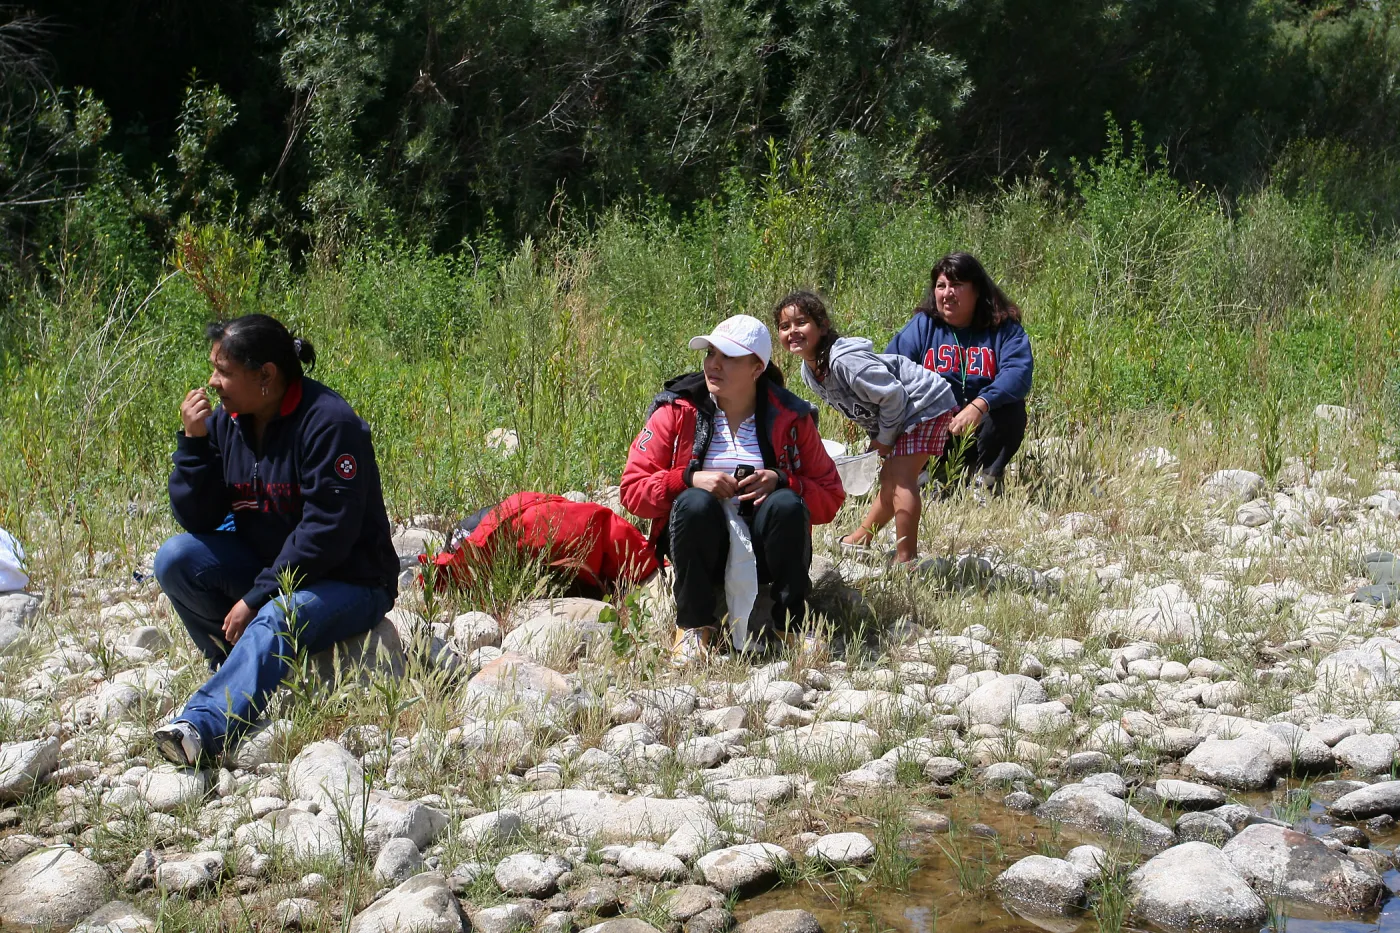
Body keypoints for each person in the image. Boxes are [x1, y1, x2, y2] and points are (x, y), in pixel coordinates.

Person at [152, 314, 399, 766]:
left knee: (279, 614)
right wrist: (193, 444)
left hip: (351, 580)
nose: (212, 382)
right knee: (175, 559)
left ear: (266, 376)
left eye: (224, 371)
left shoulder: (329, 424)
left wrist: (258, 596)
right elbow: (200, 518)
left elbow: (327, 535)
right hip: (271, 568)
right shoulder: (231, 421)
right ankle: (237, 671)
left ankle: (200, 728)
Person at [620, 314, 845, 665]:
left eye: (728, 357)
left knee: (786, 503)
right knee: (694, 502)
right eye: (710, 354)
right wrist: (689, 479)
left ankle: (791, 625)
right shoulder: (676, 410)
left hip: (764, 550)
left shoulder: (791, 417)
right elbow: (632, 491)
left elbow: (831, 496)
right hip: (700, 546)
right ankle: (694, 626)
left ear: (757, 368)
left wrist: (781, 480)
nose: (714, 364)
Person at [774, 291, 958, 564]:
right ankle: (862, 537)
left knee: (901, 478)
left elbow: (894, 395)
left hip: (924, 404)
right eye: (784, 326)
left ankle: (906, 558)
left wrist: (885, 439)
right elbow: (865, 407)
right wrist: (878, 438)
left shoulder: (844, 361)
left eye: (801, 322)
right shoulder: (809, 371)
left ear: (822, 326)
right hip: (902, 414)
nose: (793, 331)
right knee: (889, 478)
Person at [885, 252, 1032, 493]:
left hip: (979, 426)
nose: (947, 293)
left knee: (1011, 409)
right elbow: (890, 369)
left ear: (977, 291)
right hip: (931, 430)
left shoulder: (1003, 328)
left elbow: (1018, 373)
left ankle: (985, 479)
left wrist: (979, 404)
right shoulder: (923, 325)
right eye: (941, 286)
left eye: (956, 285)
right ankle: (923, 475)